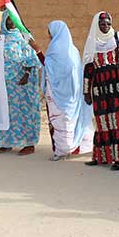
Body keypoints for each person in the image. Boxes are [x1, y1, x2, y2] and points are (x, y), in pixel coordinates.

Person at [83, 12, 119, 171]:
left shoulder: (118, 39)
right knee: (102, 121)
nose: (105, 26)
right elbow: (88, 69)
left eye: (108, 23)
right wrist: (87, 91)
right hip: (100, 89)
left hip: (118, 87)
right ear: (96, 25)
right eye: (102, 24)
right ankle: (101, 156)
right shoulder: (92, 43)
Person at [43, 21, 95, 161]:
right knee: (70, 121)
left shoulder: (54, 50)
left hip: (58, 94)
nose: (48, 34)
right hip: (72, 94)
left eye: (49, 31)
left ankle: (62, 151)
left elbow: (50, 69)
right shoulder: (73, 50)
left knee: (62, 123)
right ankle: (73, 147)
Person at [0, 15, 42, 155]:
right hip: (6, 83)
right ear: (4, 21)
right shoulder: (0, 37)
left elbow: (32, 56)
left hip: (21, 83)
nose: (12, 23)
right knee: (6, 111)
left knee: (24, 112)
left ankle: (29, 144)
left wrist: (26, 74)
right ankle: (7, 141)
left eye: (14, 19)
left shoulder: (24, 36)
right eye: (8, 19)